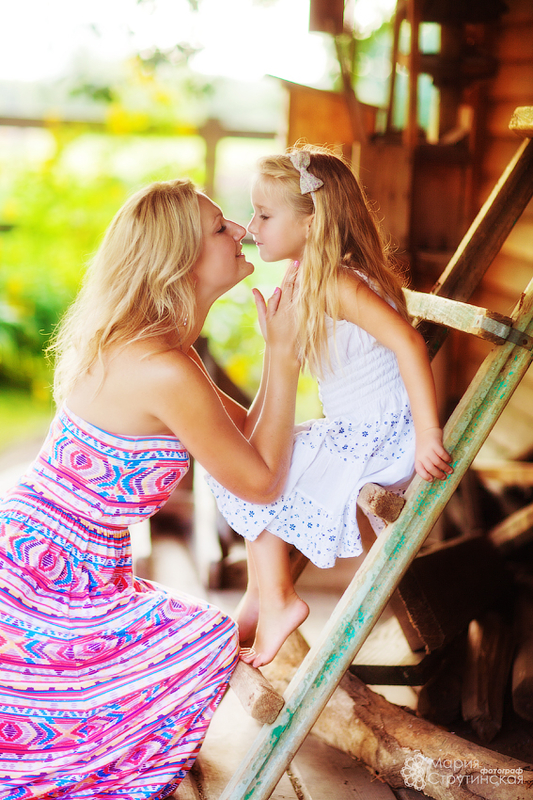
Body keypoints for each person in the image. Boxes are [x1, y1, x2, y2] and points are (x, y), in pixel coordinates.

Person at [0, 179, 300, 799]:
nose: (241, 230)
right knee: (203, 642)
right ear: (180, 260)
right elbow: (260, 479)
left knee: (203, 638)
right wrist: (282, 358)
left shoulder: (160, 348)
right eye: (220, 227)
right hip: (44, 579)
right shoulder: (162, 368)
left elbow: (247, 439)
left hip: (69, 562)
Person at [207, 144, 453, 669]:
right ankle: (262, 594)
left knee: (256, 470)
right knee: (246, 462)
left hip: (382, 439)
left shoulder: (339, 283)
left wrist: (429, 434)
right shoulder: (308, 278)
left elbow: (408, 343)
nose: (251, 226)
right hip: (353, 431)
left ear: (312, 221)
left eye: (265, 215)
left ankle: (275, 600)